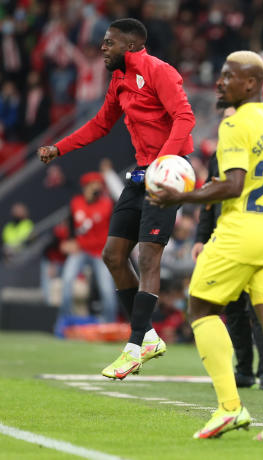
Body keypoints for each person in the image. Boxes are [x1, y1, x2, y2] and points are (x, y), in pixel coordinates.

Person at [149, 50, 263, 440]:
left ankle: (230, 407)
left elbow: (232, 184)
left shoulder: (236, 124)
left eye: (228, 76)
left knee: (199, 306)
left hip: (242, 228)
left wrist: (178, 197)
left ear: (250, 83)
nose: (219, 82)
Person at [37, 18, 195, 379]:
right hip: (141, 175)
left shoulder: (160, 71)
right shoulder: (119, 80)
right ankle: (149, 336)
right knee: (113, 255)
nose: (102, 48)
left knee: (149, 256)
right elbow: (100, 124)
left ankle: (134, 346)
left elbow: (184, 118)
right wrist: (59, 148)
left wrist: (162, 166)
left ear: (131, 45)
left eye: (108, 43)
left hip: (167, 174)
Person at [192, 151, 263, 391]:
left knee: (260, 307)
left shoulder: (260, 150)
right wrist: (201, 237)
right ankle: (245, 370)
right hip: (225, 240)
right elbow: (210, 200)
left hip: (257, 238)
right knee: (235, 309)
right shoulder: (219, 156)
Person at [55, 172, 117, 334]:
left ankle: (109, 326)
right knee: (67, 281)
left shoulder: (108, 203)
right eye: (93, 184)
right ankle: (64, 325)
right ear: (86, 187)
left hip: (100, 252)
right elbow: (70, 226)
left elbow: (116, 227)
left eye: (99, 184)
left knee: (106, 289)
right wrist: (69, 241)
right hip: (80, 250)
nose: (97, 187)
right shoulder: (76, 203)